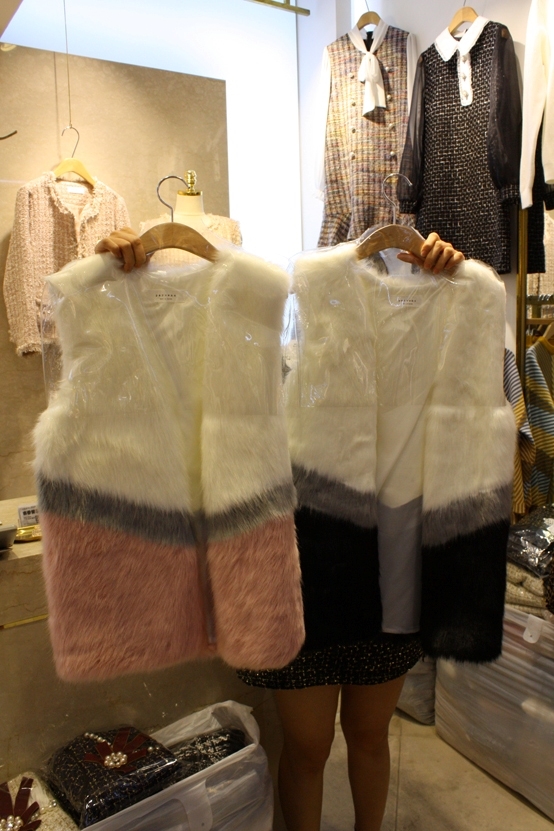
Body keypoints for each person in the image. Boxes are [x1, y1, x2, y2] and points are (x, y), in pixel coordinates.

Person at [95, 227, 465, 831]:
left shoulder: (414, 357)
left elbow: (465, 384)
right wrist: (125, 273)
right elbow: (172, 370)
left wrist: (448, 283)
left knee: (369, 737)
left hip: (389, 578)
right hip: (299, 585)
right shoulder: (273, 354)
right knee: (309, 748)